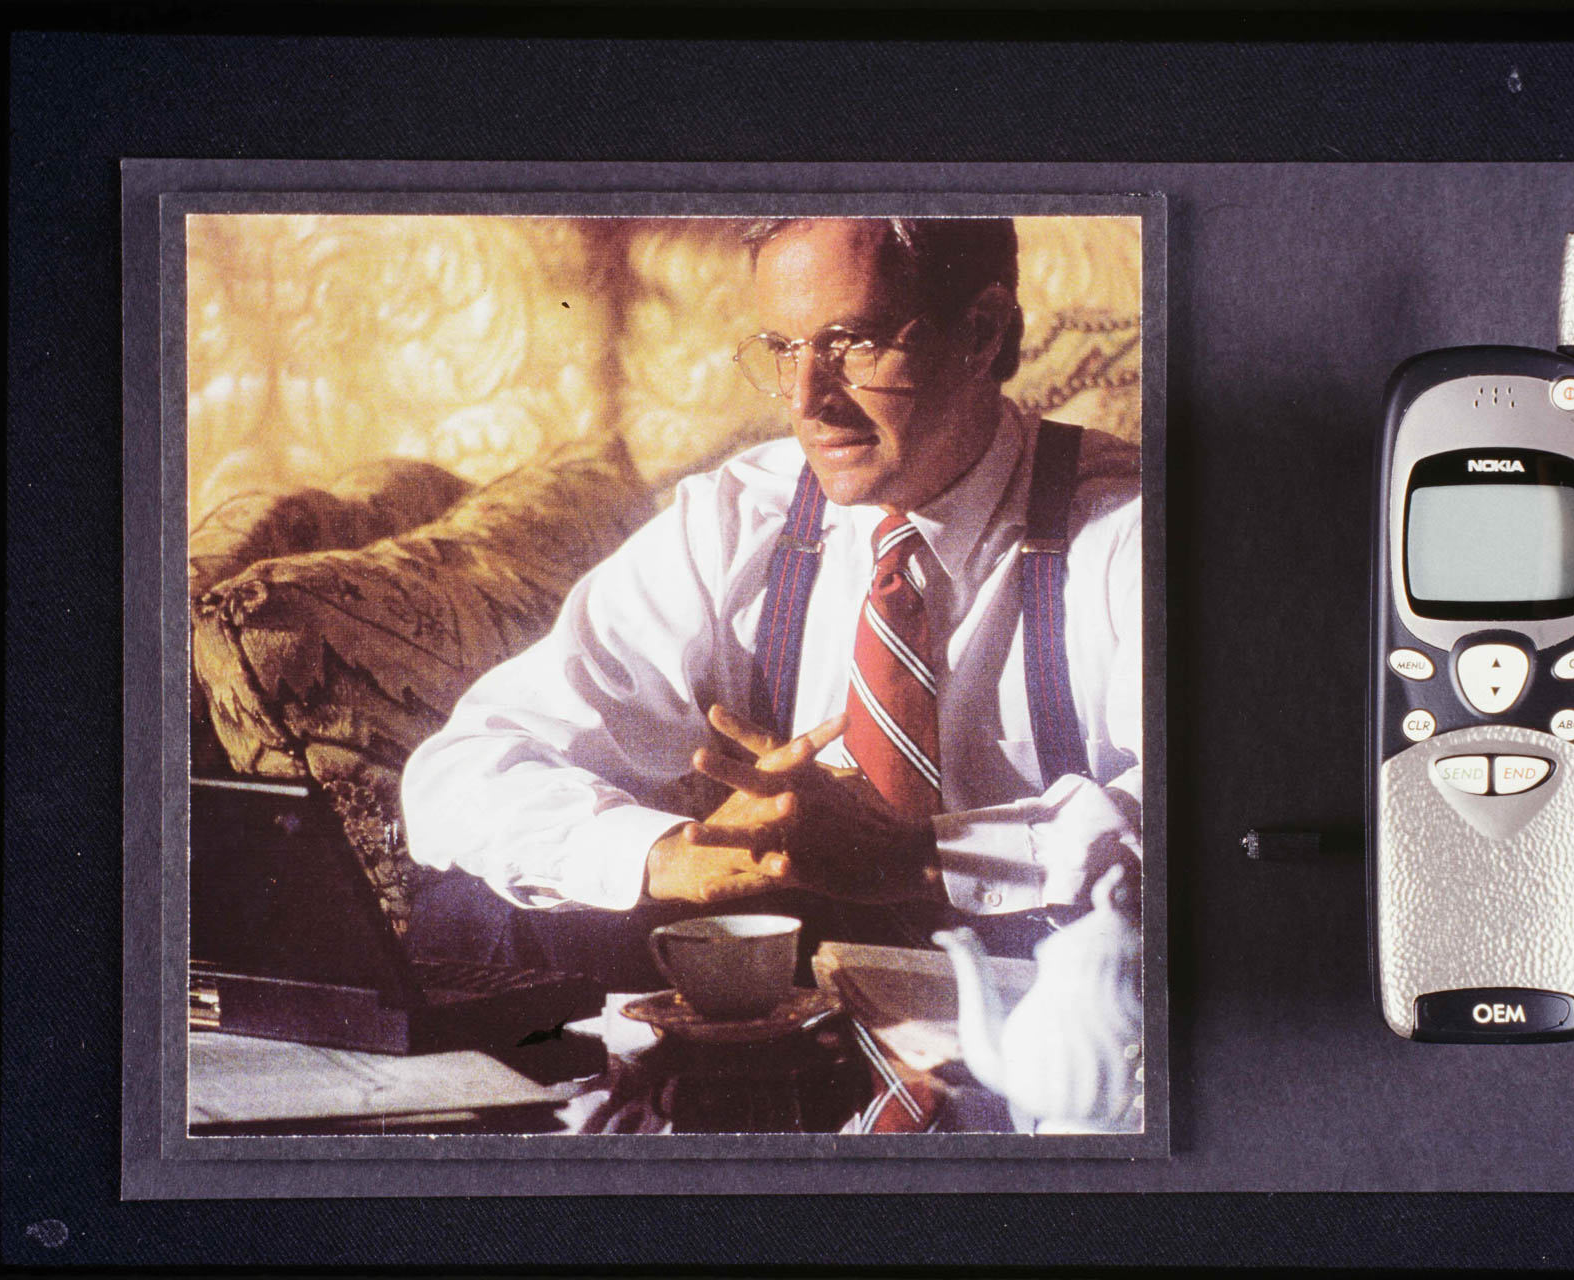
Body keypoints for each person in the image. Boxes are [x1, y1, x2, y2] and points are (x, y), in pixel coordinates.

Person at [400, 216, 1142, 989]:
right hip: (808, 985)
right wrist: (666, 854)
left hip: (1058, 997)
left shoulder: (1127, 525)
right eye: (785, 349)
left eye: (850, 343)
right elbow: (465, 767)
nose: (807, 399)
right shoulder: (741, 516)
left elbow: (1196, 824)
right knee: (469, 915)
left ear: (981, 332)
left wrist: (917, 858)